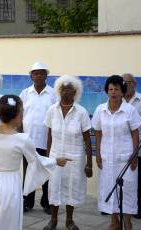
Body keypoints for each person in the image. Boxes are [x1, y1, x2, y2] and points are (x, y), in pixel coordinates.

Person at [0, 94, 71, 230]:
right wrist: (56, 161)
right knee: (6, 222)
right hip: (9, 186)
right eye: (22, 111)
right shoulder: (23, 140)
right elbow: (37, 161)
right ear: (18, 115)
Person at [91, 75, 141, 230]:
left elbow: (135, 133)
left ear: (122, 91)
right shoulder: (101, 109)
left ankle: (127, 221)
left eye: (117, 89)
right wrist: (98, 154)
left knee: (126, 190)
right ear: (107, 91)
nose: (113, 92)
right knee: (109, 188)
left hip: (125, 158)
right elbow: (98, 132)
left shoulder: (129, 110)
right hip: (107, 157)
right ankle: (114, 221)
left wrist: (134, 155)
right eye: (110, 89)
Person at [43, 75, 93, 230]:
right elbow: (49, 135)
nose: (65, 92)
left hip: (75, 158)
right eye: (63, 89)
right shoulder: (52, 110)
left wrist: (89, 163)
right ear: (59, 91)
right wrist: (47, 159)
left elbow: (87, 139)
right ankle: (53, 220)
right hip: (55, 156)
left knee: (72, 188)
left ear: (75, 91)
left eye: (69, 89)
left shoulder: (81, 112)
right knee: (54, 187)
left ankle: (69, 221)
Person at [19, 61, 57, 214]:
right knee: (29, 173)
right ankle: (27, 202)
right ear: (31, 76)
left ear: (46, 75)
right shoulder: (25, 93)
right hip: (28, 141)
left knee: (47, 172)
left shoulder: (54, 93)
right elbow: (20, 115)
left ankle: (47, 203)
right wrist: (20, 136)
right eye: (35, 73)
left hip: (47, 140)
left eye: (41, 72)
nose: (38, 75)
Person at [122, 73, 141, 219]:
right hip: (120, 149)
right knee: (121, 179)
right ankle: (117, 207)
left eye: (128, 82)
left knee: (136, 181)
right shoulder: (117, 100)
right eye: (123, 82)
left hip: (137, 148)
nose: (126, 85)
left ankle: (136, 208)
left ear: (134, 84)